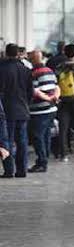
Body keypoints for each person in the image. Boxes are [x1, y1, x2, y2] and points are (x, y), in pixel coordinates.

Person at [0, 44, 34, 178]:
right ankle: (22, 170)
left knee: (6, 140)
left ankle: (9, 170)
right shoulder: (26, 69)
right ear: (18, 54)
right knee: (22, 141)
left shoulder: (2, 69)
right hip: (23, 109)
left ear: (6, 53)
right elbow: (30, 92)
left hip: (6, 110)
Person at [28, 50, 60, 173]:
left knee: (38, 137)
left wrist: (48, 98)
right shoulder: (49, 71)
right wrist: (53, 98)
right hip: (51, 109)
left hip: (39, 110)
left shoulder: (33, 73)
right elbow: (56, 87)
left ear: (34, 59)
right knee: (46, 135)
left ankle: (42, 162)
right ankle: (44, 158)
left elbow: (35, 91)